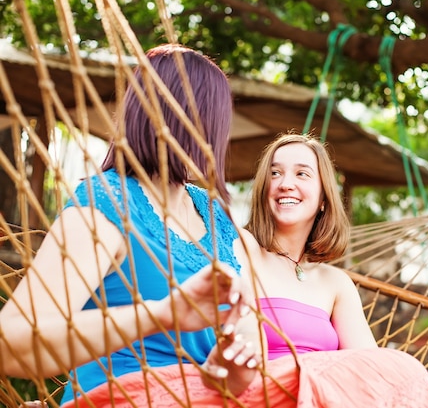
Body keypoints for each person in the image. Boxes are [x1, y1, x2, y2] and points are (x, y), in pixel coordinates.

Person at [0, 43, 262, 406]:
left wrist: (233, 369)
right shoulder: (107, 204)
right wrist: (159, 314)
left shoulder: (216, 216)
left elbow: (241, 345)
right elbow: (12, 343)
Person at [244, 133, 428, 407]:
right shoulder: (243, 250)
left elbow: (370, 367)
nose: (286, 184)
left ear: (323, 199)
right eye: (275, 173)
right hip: (262, 396)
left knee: (402, 368)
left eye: (302, 174)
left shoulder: (334, 282)